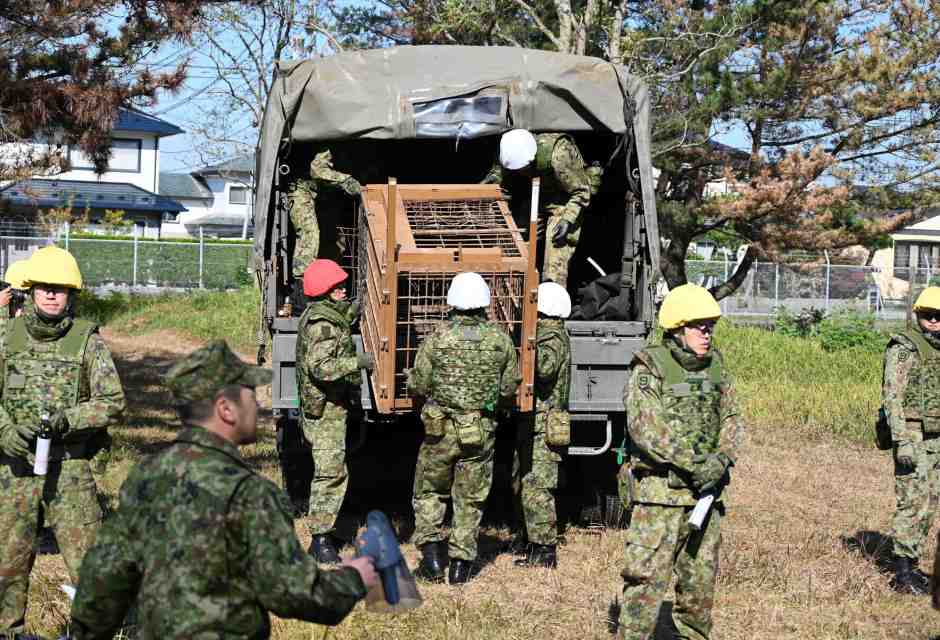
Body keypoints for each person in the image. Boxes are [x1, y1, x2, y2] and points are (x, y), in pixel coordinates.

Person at [69, 340, 377, 639]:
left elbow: (104, 579)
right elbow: (295, 594)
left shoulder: (145, 477)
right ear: (226, 409)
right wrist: (354, 578)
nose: (257, 405)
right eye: (250, 395)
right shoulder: (251, 493)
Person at [0, 247, 126, 635]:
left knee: (88, 562)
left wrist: (67, 420)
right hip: (15, 470)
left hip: (70, 468)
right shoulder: (6, 337)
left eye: (60, 289)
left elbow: (112, 402)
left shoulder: (88, 341)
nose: (52, 295)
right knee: (8, 561)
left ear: (72, 294)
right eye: (44, 288)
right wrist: (6, 431)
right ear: (31, 291)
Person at [618, 284, 745, 640]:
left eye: (710, 326)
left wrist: (721, 459)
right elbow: (646, 429)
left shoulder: (716, 367)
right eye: (699, 326)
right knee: (644, 583)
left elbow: (733, 418)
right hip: (660, 498)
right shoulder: (649, 366)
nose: (707, 333)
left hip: (706, 497)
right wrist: (695, 464)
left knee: (699, 588)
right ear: (677, 328)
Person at [408, 272, 520, 585]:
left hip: (440, 430)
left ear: (453, 302)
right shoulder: (499, 340)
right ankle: (460, 566)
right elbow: (510, 385)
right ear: (484, 302)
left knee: (430, 491)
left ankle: (431, 558)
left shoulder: (438, 337)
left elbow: (418, 383)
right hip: (480, 430)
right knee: (470, 498)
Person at [296, 258, 374, 563]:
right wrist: (358, 362)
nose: (343, 289)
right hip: (325, 409)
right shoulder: (322, 325)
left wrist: (364, 301)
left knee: (334, 471)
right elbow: (322, 368)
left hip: (330, 407)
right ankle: (320, 541)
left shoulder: (325, 315)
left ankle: (325, 531)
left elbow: (345, 316)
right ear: (326, 291)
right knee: (330, 474)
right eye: (338, 286)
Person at [483, 129, 598, 286]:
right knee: (516, 245)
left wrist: (567, 219)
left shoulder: (559, 155)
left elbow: (581, 191)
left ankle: (550, 302)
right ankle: (516, 292)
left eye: (522, 170)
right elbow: (497, 183)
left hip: (565, 200)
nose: (520, 173)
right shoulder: (508, 152)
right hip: (535, 197)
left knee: (554, 261)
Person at [883, 286, 940, 595]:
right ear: (918, 315)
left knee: (930, 503)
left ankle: (913, 565)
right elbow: (891, 396)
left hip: (937, 437)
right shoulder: (903, 347)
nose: (935, 322)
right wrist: (901, 439)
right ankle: (902, 572)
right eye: (928, 316)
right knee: (912, 502)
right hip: (913, 434)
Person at [512, 282, 571, 569]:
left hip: (544, 424)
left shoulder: (552, 337)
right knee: (524, 482)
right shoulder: (551, 333)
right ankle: (530, 539)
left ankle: (544, 549)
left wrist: (526, 352)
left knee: (537, 487)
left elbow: (544, 370)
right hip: (536, 422)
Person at [288, 150, 362, 302]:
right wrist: (346, 181)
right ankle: (302, 286)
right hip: (301, 189)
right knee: (310, 235)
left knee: (336, 241)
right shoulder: (326, 147)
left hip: (323, 195)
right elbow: (317, 170)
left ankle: (330, 286)